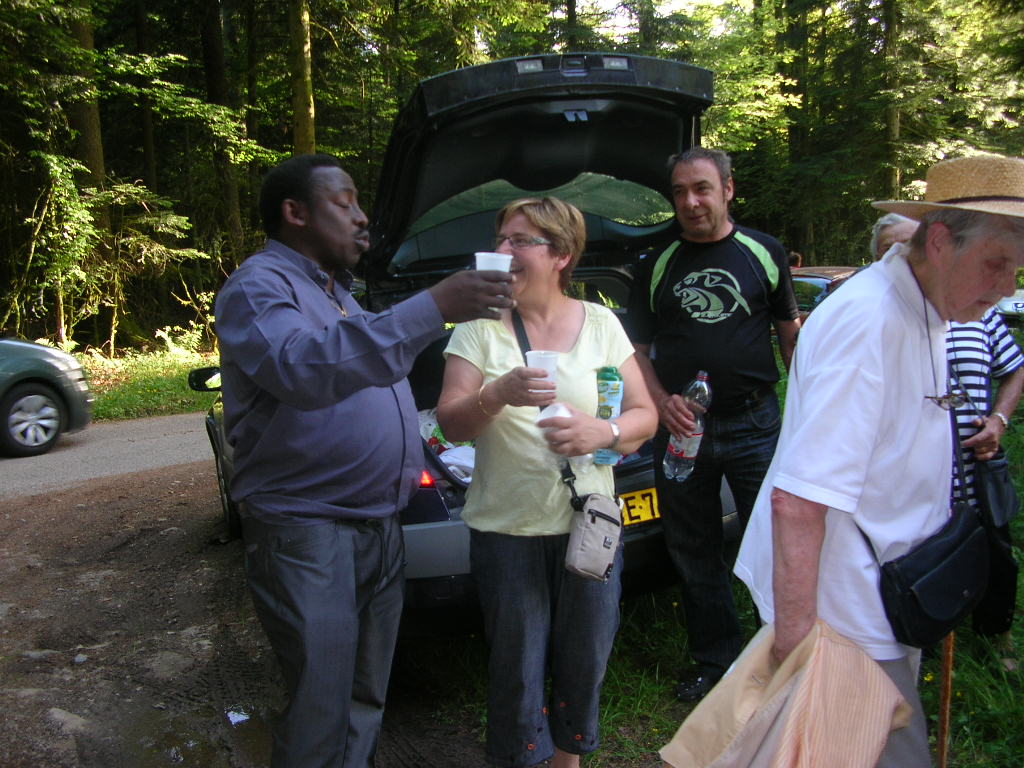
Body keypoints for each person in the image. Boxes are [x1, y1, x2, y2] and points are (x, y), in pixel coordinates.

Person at [214, 153, 516, 768]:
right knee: (320, 705)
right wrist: (433, 305)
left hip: (379, 522)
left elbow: (364, 363)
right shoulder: (259, 286)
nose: (362, 217)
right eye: (344, 202)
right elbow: (302, 367)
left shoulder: (340, 296)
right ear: (295, 213)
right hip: (307, 531)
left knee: (364, 697)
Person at [734, 152, 1024, 767]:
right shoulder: (868, 322)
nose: (1007, 289)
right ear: (941, 241)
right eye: (998, 265)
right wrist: (796, 652)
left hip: (891, 591)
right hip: (845, 613)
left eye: (1018, 271)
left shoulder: (929, 304)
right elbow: (798, 497)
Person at [436, 197, 657, 768]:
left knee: (585, 660)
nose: (502, 251)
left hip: (590, 526)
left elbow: (642, 416)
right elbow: (451, 421)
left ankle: (568, 761)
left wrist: (600, 431)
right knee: (515, 669)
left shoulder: (602, 325)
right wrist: (497, 393)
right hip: (507, 531)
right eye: (501, 238)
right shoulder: (479, 330)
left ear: (561, 254)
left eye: (519, 240)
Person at [626, 147, 800, 702]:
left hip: (756, 422)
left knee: (778, 544)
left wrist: (811, 410)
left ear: (727, 188)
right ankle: (717, 662)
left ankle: (786, 658)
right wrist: (659, 402)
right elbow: (638, 352)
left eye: (701, 188)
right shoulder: (656, 263)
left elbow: (789, 334)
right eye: (679, 192)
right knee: (693, 546)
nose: (690, 201)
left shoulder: (763, 252)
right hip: (682, 431)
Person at [948, 308, 1023, 670]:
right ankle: (922, 635)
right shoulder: (884, 312)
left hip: (976, 468)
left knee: (995, 555)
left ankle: (998, 638)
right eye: (886, 248)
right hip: (912, 481)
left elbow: (1014, 370)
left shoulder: (979, 309)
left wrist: (999, 421)